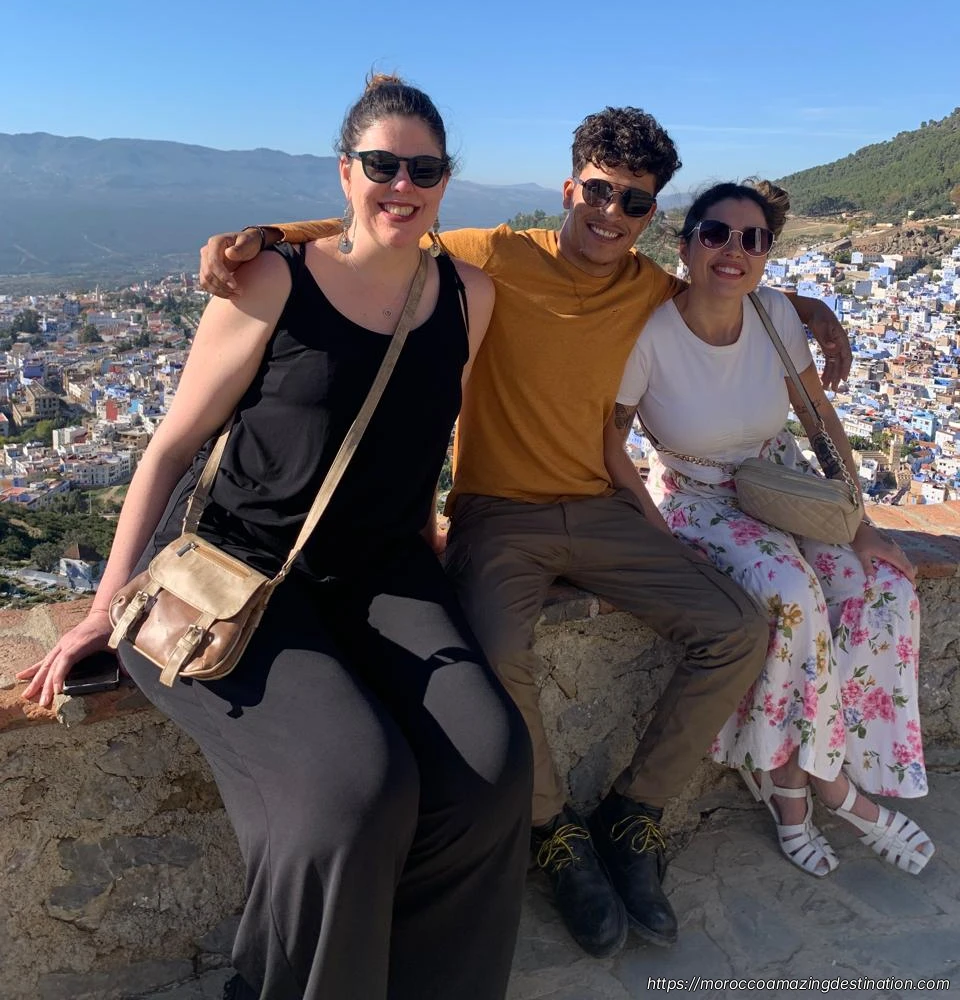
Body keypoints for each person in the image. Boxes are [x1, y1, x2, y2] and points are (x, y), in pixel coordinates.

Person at [197, 108, 853, 957]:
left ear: (652, 213)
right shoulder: (498, 255)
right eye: (599, 190)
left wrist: (809, 305)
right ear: (570, 186)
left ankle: (634, 813)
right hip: (499, 511)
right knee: (501, 652)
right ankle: (554, 833)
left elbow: (729, 285)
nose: (611, 213)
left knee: (734, 629)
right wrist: (262, 236)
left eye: (635, 201)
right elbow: (383, 224)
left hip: (604, 507)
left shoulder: (648, 285)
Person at [19, 75, 533, 1000]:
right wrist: (107, 605)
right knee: (351, 791)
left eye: (424, 168)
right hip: (236, 570)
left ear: (447, 181)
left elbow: (417, 444)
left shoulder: (469, 298)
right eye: (381, 164)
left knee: (493, 770)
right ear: (345, 172)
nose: (401, 184)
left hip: (386, 572)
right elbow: (170, 446)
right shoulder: (270, 280)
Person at [606, 180, 933, 881]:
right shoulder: (649, 334)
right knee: (793, 592)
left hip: (780, 487)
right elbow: (612, 441)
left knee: (880, 585)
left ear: (766, 254)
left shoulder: (777, 315)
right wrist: (646, 526)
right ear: (686, 243)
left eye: (753, 239)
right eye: (717, 233)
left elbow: (819, 422)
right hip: (700, 500)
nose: (734, 251)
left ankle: (819, 767)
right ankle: (811, 789)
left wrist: (859, 523)